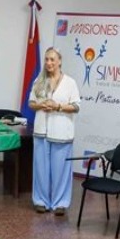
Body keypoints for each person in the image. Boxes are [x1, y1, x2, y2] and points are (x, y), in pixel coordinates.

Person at [27, 47, 80, 216]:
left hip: (62, 133)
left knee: (61, 170)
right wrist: (41, 105)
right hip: (41, 131)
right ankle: (41, 201)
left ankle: (60, 203)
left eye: (52, 59)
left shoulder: (70, 83)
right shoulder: (39, 80)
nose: (49, 63)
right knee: (41, 169)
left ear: (60, 61)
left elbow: (76, 106)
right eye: (46, 59)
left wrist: (58, 106)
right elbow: (31, 103)